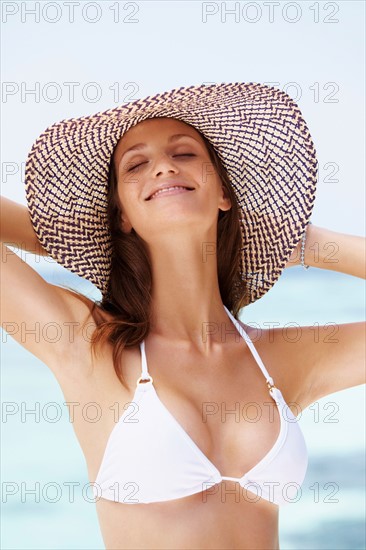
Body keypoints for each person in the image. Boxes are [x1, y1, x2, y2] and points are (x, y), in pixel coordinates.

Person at [1, 82, 365, 550]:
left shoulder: (283, 360)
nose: (164, 166)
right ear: (122, 214)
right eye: (136, 165)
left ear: (224, 193)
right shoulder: (86, 344)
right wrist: (77, 238)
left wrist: (309, 245)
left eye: (186, 154)